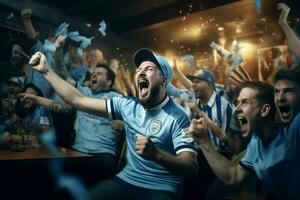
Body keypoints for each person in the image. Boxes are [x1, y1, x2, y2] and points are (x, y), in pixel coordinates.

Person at [28, 49, 198, 200]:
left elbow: (191, 167)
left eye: (149, 69)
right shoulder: (127, 106)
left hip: (162, 187)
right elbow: (77, 100)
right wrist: (46, 70)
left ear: (163, 80)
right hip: (126, 179)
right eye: (139, 70)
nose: (140, 73)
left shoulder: (179, 116)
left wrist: (157, 154)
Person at [189, 75, 300, 200]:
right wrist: (203, 141)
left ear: (264, 110)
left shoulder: (293, 131)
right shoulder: (255, 141)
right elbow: (233, 176)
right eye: (237, 103)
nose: (236, 109)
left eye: (245, 102)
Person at [19, 64, 124, 185]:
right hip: (78, 152)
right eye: (93, 73)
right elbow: (59, 107)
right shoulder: (82, 94)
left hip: (103, 154)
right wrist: (36, 99)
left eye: (99, 73)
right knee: (42, 172)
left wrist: (122, 123)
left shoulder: (116, 98)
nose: (94, 74)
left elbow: (130, 120)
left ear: (109, 81)